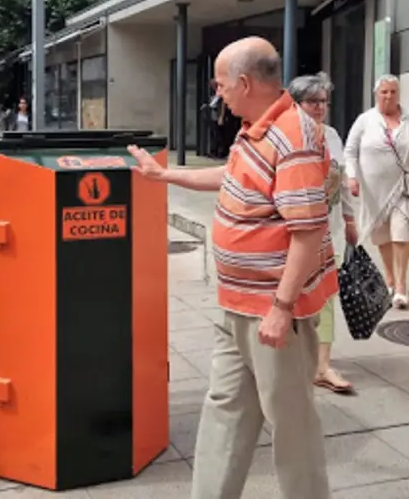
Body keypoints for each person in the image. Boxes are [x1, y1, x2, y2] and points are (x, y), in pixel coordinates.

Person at [129, 37, 336, 499]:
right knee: (225, 409)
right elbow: (231, 175)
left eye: (221, 84)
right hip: (237, 305)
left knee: (292, 427)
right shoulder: (256, 129)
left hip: (271, 311)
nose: (217, 94)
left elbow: (306, 232)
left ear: (244, 82)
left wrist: (282, 307)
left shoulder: (293, 136)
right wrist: (165, 176)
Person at [288, 72, 357, 394]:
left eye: (323, 102)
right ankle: (289, 360)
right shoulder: (285, 137)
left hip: (331, 232)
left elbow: (341, 180)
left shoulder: (331, 135)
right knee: (291, 297)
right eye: (312, 101)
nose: (319, 107)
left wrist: (350, 218)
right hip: (294, 234)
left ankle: (321, 366)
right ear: (297, 103)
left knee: (326, 298)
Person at [344, 75, 409, 309]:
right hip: (374, 193)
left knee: (401, 234)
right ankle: (390, 279)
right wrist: (352, 176)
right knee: (382, 237)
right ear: (377, 94)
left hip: (404, 188)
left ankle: (402, 286)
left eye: (393, 91)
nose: (389, 96)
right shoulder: (365, 121)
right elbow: (350, 151)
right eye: (384, 92)